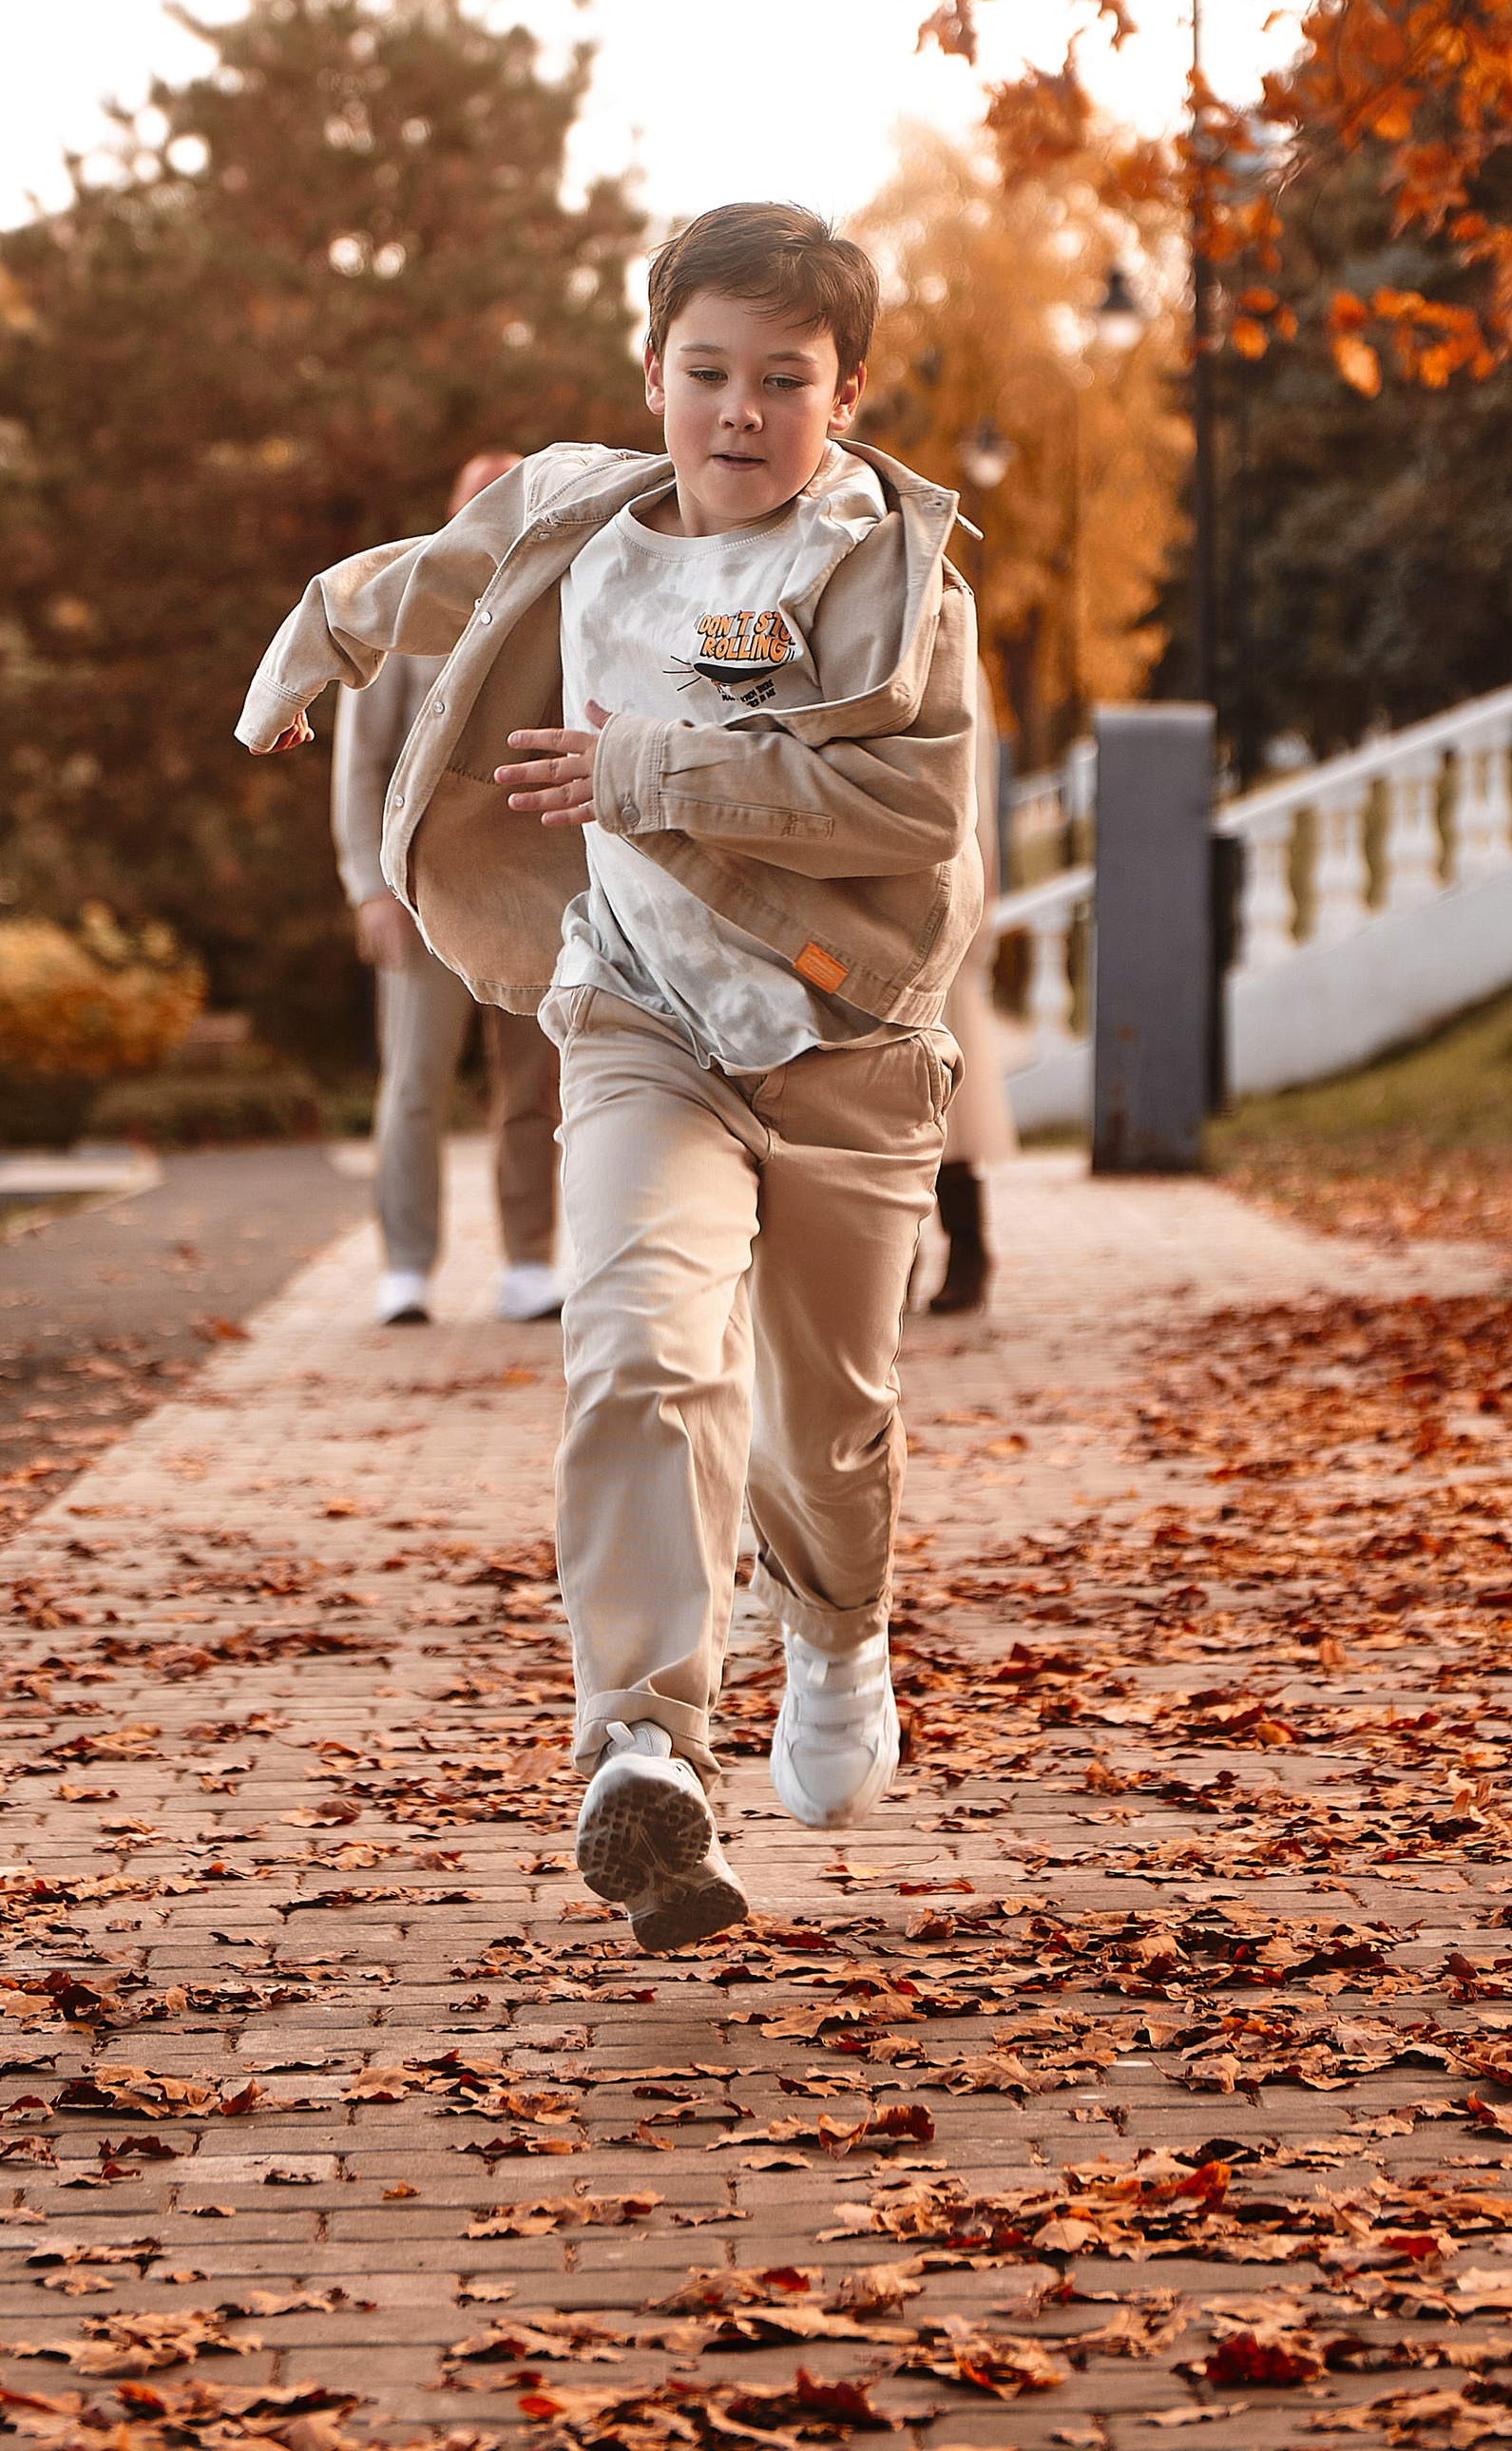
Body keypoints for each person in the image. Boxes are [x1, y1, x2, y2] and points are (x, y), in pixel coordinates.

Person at [239, 202, 982, 1953]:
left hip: (847, 1039)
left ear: (844, 392)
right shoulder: (583, 512)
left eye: (782, 382)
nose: (738, 412)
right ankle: (640, 1741)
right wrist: (311, 645)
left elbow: (915, 812)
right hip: (645, 1020)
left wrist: (650, 765)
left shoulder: (891, 574)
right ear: (653, 372)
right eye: (706, 372)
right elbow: (441, 567)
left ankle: (836, 1631)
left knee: (830, 1427)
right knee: (640, 1343)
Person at [333, 448, 565, 1329]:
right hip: (423, 891)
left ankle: (530, 1263)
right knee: (416, 1083)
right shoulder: (410, 608)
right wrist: (369, 888)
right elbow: (359, 768)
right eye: (480, 505)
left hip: (528, 891)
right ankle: (406, 1266)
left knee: (532, 1087)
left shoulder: (553, 604)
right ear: (454, 512)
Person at [927, 671, 1014, 1313]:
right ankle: (893, 1260)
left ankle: (968, 1246)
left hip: (939, 888)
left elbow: (974, 789)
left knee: (949, 1094)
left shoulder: (956, 647)